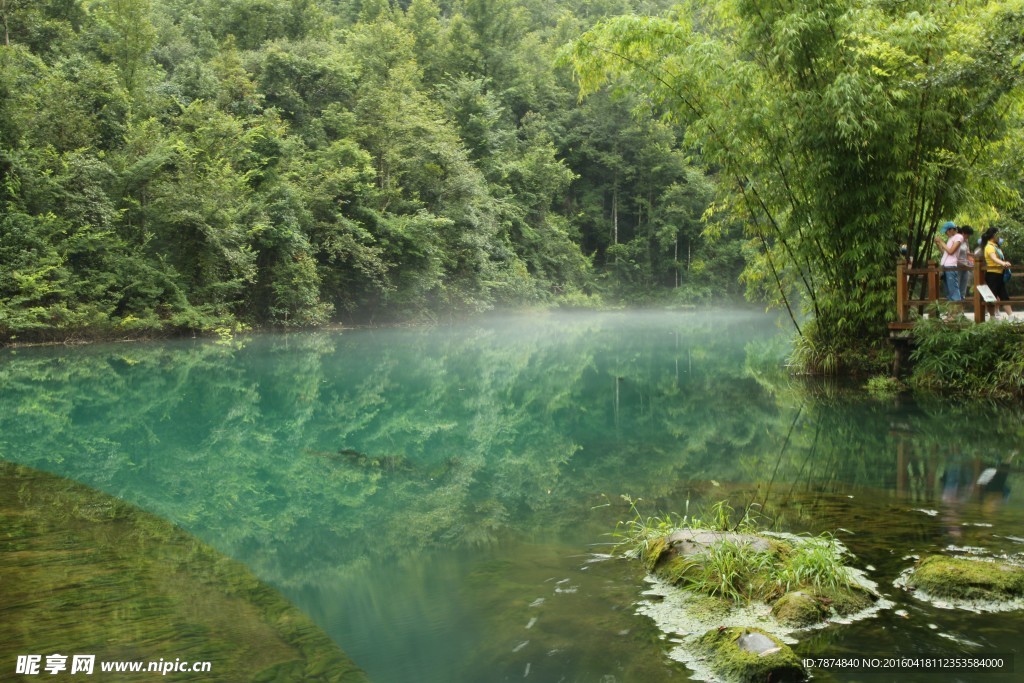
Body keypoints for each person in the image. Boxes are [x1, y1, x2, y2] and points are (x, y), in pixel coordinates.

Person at [981, 227, 1013, 319]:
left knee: (1004, 295)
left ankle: (1011, 316)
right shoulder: (989, 247)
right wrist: (1004, 263)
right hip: (992, 274)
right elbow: (994, 258)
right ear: (993, 235)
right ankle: (992, 317)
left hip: (999, 274)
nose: (1000, 237)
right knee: (991, 297)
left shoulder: (995, 246)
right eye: (998, 235)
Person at [933, 221, 963, 308]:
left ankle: (957, 314)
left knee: (953, 290)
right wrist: (938, 245)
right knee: (949, 292)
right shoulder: (950, 239)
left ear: (951, 230)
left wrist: (941, 242)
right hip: (945, 266)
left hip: (951, 266)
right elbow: (945, 253)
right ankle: (951, 314)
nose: (946, 233)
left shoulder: (958, 237)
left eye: (946, 231)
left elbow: (951, 251)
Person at [957, 226, 974, 298]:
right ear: (963, 233)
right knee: (957, 284)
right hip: (958, 265)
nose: (969, 237)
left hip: (965, 264)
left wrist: (973, 256)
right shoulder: (957, 240)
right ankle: (956, 302)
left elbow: (967, 252)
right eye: (968, 235)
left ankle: (962, 299)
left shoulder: (966, 241)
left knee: (964, 284)